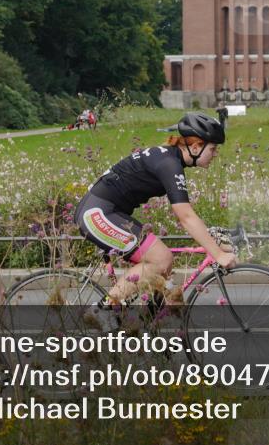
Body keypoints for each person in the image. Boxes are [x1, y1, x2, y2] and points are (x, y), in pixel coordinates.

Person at [76, 113, 236, 305]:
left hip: (108, 212)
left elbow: (186, 212)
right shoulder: (169, 164)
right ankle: (101, 312)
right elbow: (185, 216)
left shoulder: (170, 158)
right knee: (161, 259)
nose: (215, 154)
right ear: (195, 147)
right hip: (97, 215)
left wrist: (208, 237)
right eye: (213, 148)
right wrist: (218, 255)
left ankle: (149, 325)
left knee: (164, 274)